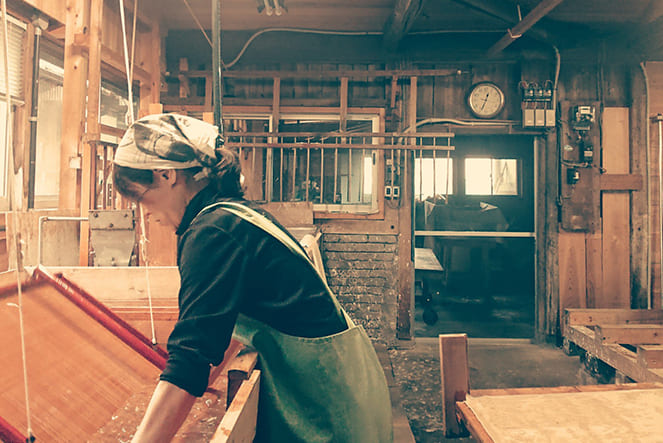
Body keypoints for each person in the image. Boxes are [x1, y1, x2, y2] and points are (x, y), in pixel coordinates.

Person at [112, 113, 393, 443]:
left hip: (326, 413)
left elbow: (193, 354)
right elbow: (213, 336)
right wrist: (199, 387)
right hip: (350, 398)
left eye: (140, 196)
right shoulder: (236, 215)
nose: (143, 212)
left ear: (167, 175)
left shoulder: (212, 233)